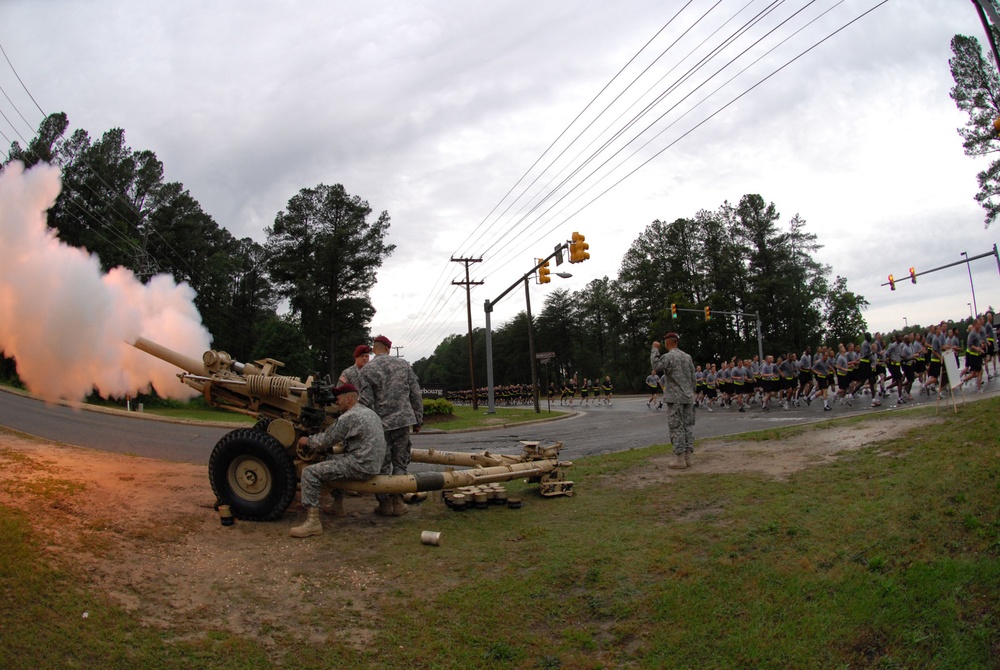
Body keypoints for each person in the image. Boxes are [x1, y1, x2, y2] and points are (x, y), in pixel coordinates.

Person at [289, 384, 386, 538]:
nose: (336, 402)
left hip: (360, 465)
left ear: (348, 399)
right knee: (331, 459)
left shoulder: (349, 417)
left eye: (338, 399)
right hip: (372, 463)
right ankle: (338, 506)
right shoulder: (369, 412)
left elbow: (326, 439)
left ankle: (312, 522)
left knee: (309, 472)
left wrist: (307, 441)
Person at [360, 334, 423, 516]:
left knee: (383, 464)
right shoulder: (403, 365)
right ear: (389, 348)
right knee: (400, 462)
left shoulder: (367, 370)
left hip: (380, 425)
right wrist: (418, 419)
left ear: (374, 349)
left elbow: (365, 401)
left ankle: (385, 504)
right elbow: (416, 394)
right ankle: (399, 502)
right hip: (403, 422)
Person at [650, 332, 696, 469]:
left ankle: (679, 459)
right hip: (688, 397)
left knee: (676, 427)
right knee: (688, 427)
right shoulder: (687, 357)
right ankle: (688, 458)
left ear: (668, 343)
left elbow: (656, 366)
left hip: (675, 398)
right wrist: (690, 392)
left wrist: (654, 349)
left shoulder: (669, 357)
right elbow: (693, 377)